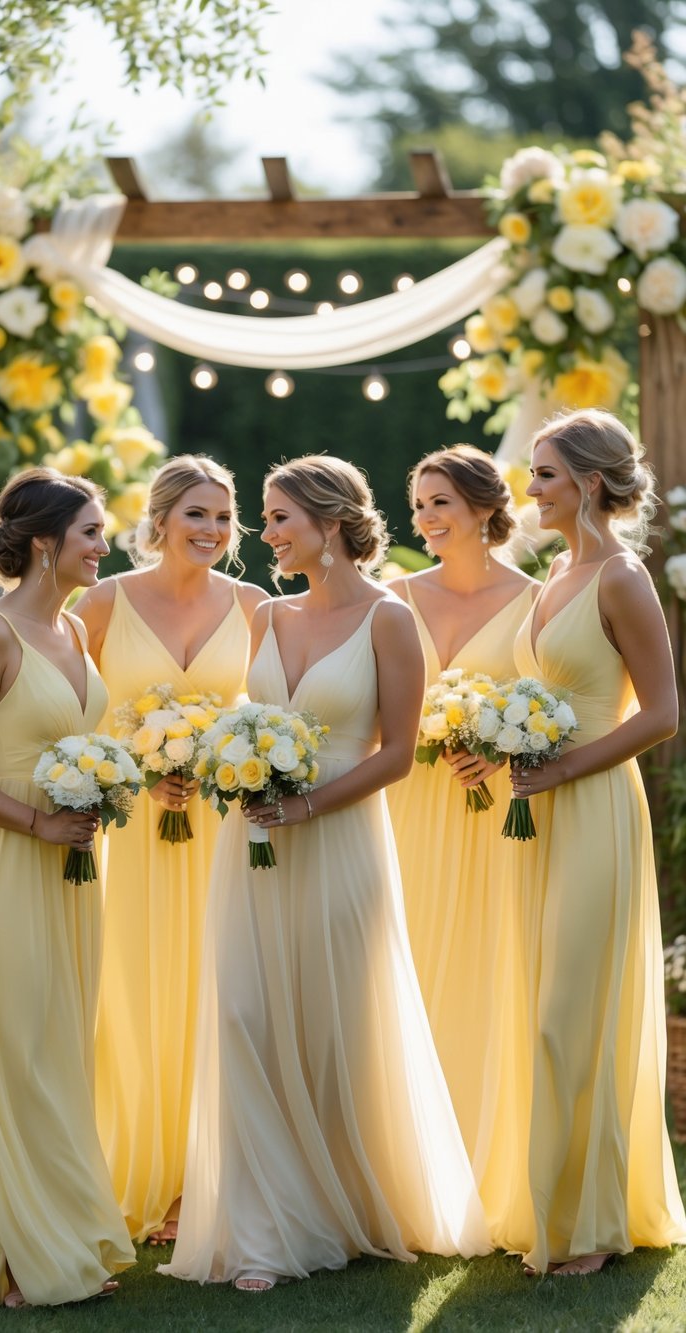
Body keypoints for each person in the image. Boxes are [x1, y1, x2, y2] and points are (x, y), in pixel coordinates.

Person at [158, 454, 491, 1292]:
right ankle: (262, 1227)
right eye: (265, 519)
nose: (263, 534)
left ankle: (338, 1206)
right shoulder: (266, 616)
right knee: (242, 1013)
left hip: (341, 843)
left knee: (333, 1023)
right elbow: (246, 719)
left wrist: (308, 806)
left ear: (329, 524)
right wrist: (217, 764)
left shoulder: (388, 619)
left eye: (278, 519)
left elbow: (399, 755)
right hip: (252, 845)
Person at [0, 469, 135, 1308]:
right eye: (90, 532)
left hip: (78, 878)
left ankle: (53, 1231)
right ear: (45, 542)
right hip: (12, 870)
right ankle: (13, 1254)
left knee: (60, 1055)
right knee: (19, 1059)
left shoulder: (76, 633)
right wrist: (38, 823)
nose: (102, 546)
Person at [504, 408, 686, 1274]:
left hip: (595, 808)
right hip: (535, 812)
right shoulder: (551, 576)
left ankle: (591, 1219)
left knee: (574, 1008)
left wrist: (565, 768)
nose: (531, 488)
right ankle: (548, 1201)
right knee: (538, 1002)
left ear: (590, 482)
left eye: (544, 473)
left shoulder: (621, 576)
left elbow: (661, 714)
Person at [76, 454, 265, 1245]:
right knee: (132, 995)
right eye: (197, 515)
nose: (213, 531)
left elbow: (271, 715)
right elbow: (72, 713)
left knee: (217, 993)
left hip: (220, 831)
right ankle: (129, 1175)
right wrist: (138, 769)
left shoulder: (256, 605)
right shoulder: (99, 604)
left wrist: (224, 760)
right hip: (129, 831)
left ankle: (201, 1186)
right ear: (159, 521)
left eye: (224, 518)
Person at [387, 445, 535, 1229]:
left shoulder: (537, 601)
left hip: (488, 822)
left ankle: (482, 1174)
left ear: (484, 507)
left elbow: (553, 710)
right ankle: (405, 1179)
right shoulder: (392, 595)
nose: (426, 518)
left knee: (484, 976)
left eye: (440, 502)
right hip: (406, 808)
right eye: (418, 505)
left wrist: (504, 744)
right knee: (401, 974)